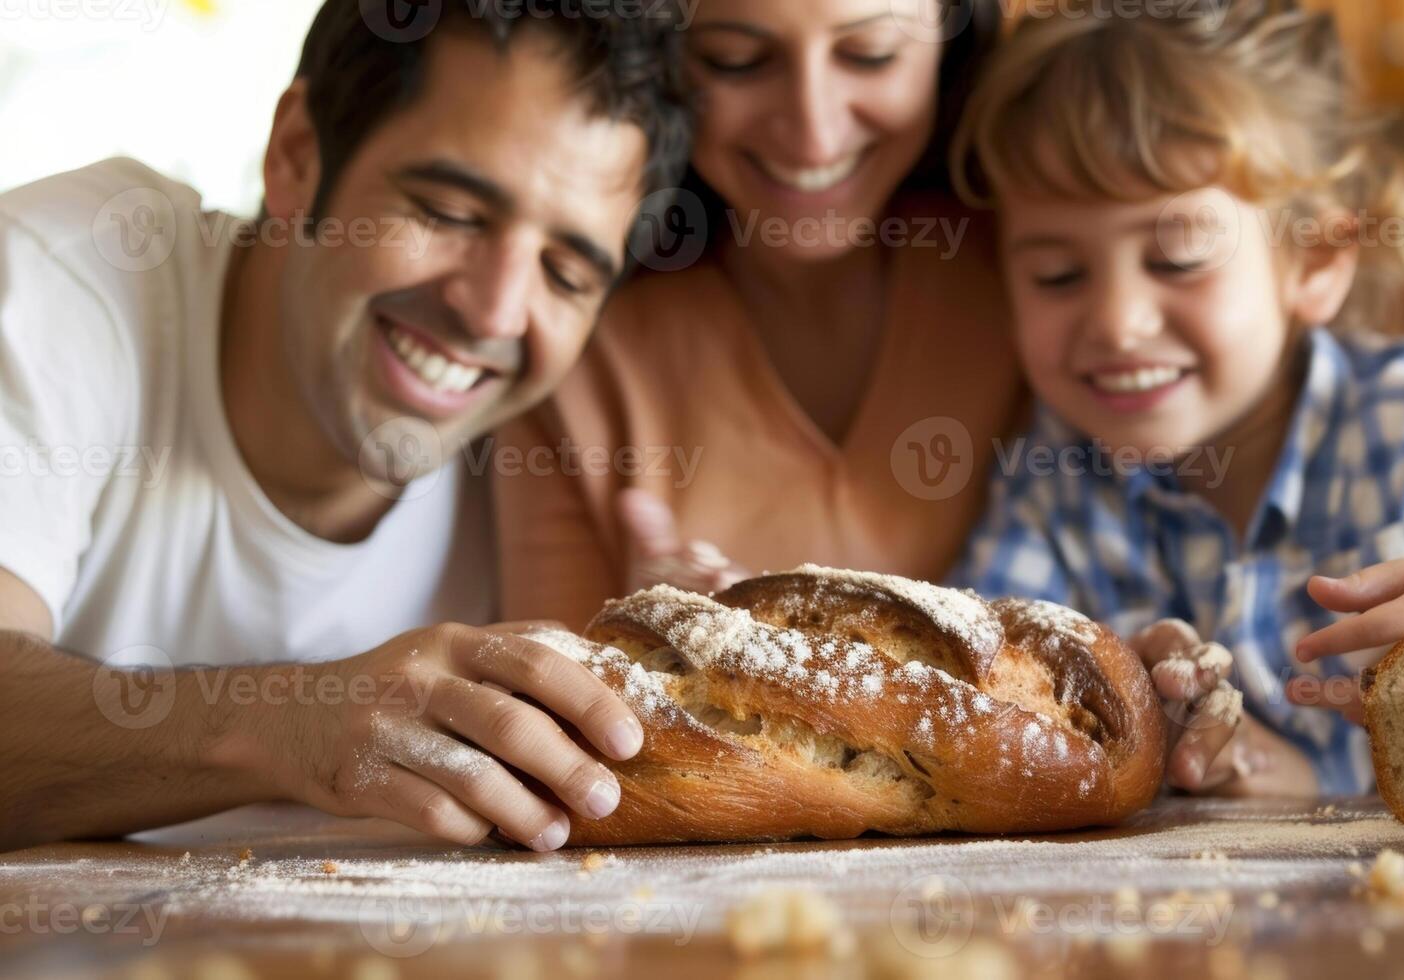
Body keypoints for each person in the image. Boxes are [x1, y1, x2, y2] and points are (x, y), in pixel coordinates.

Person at [0, 0, 691, 852]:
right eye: (450, 212)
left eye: (564, 270)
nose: (496, 311)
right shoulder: (56, 278)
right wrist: (293, 724)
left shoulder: (550, 445)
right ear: (296, 152)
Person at [947, 1, 1404, 798]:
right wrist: (1127, 704)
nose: (1115, 321)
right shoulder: (1048, 475)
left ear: (1313, 262)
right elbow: (981, 696)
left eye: (1177, 261)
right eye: (1056, 275)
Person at [491, 0, 1029, 628]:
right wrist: (628, 656)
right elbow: (544, 706)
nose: (813, 134)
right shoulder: (567, 347)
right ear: (657, 60)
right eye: (737, 61)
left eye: (870, 53)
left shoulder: (1047, 277)